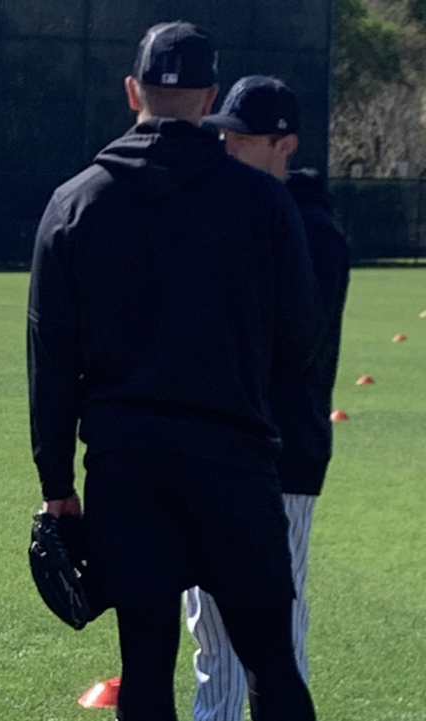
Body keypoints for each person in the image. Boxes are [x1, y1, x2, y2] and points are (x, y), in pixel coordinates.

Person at [28, 22, 320, 721]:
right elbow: (299, 342)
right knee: (271, 663)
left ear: (133, 91)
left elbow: (50, 357)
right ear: (210, 97)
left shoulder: (77, 201)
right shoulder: (263, 201)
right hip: (235, 459)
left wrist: (57, 484)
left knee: (147, 669)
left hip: (129, 465)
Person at [187, 76, 350, 721]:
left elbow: (290, 349)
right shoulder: (245, 214)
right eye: (223, 133)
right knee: (209, 617)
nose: (227, 146)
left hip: (281, 453)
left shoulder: (313, 232)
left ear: (286, 145)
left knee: (272, 626)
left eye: (244, 137)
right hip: (221, 446)